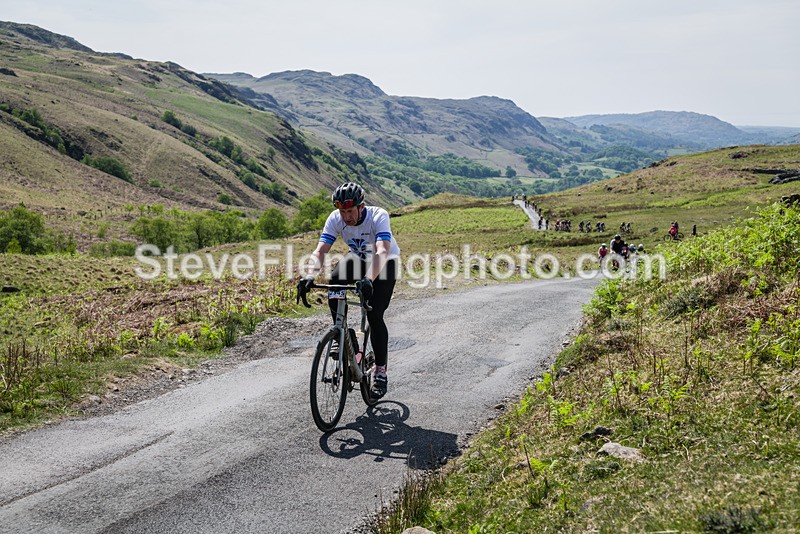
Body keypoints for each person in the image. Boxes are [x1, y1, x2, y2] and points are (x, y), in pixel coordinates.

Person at [297, 182, 401, 398]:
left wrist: (368, 280)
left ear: (361, 207)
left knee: (374, 315)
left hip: (385, 262)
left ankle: (380, 372)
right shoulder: (335, 219)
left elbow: (382, 249)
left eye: (350, 211)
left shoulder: (378, 215)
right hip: (359, 258)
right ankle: (344, 336)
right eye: (342, 211)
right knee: (335, 282)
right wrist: (309, 275)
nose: (346, 216)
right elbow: (321, 250)